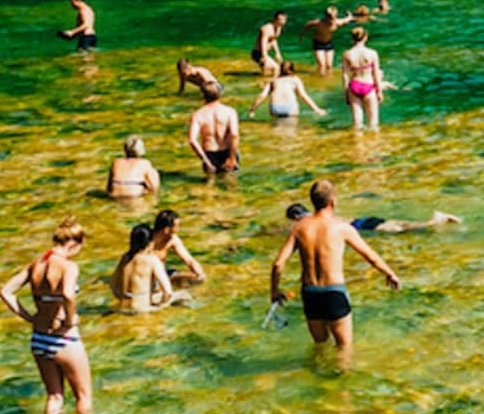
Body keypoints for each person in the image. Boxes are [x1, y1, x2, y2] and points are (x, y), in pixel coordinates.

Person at [270, 179, 402, 348]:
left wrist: (274, 291)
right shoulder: (342, 227)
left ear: (312, 201)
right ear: (333, 201)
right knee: (344, 349)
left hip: (310, 293)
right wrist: (390, 274)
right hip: (334, 292)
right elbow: (371, 257)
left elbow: (278, 264)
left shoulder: (299, 228)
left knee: (320, 346)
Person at [0, 218, 92, 414]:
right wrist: (70, 319)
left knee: (54, 396)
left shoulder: (36, 264)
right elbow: (68, 294)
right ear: (73, 244)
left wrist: (29, 317)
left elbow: (5, 292)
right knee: (83, 397)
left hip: (39, 338)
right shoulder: (69, 266)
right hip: (64, 338)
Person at [111, 224, 176, 313]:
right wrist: (158, 307)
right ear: (150, 243)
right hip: (141, 311)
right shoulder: (152, 259)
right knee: (184, 296)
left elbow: (114, 287)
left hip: (122, 310)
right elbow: (168, 292)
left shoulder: (125, 258)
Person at [285, 203, 460, 234]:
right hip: (365, 220)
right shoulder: (322, 212)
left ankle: (434, 222)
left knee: (403, 230)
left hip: (362, 227)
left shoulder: (309, 221)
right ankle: (434, 219)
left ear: (297, 217)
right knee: (400, 224)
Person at [188, 84, 241, 175]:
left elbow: (192, 140)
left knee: (210, 184)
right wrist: (232, 158)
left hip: (210, 155)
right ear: (220, 94)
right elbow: (234, 135)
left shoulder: (197, 115)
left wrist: (206, 160)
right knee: (231, 183)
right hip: (228, 152)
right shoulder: (230, 112)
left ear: (203, 95)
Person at [250, 62, 328, 121]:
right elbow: (303, 96)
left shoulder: (273, 81)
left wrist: (252, 110)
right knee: (291, 129)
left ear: (280, 70)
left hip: (275, 108)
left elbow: (262, 96)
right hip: (290, 107)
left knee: (277, 126)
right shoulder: (295, 79)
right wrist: (317, 110)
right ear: (293, 70)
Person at [342, 26, 386, 129]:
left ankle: (358, 143)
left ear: (352, 38)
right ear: (365, 37)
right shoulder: (372, 53)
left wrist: (346, 94)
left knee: (357, 123)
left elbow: (345, 76)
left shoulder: (347, 54)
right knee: (373, 122)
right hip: (369, 86)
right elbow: (375, 73)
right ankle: (374, 143)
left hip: (354, 86)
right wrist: (379, 91)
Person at [147, 210, 205, 283]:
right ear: (166, 230)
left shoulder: (173, 240)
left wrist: (200, 274)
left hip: (163, 274)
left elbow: (189, 260)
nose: (178, 229)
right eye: (177, 226)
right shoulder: (146, 240)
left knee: (195, 278)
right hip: (147, 278)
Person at [306, 7, 346, 74]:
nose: (331, 20)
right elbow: (308, 24)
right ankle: (321, 80)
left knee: (329, 66)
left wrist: (351, 16)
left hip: (328, 43)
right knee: (322, 65)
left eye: (333, 18)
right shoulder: (319, 22)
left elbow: (346, 20)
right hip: (318, 43)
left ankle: (328, 79)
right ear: (326, 17)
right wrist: (302, 35)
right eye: (329, 18)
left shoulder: (337, 22)